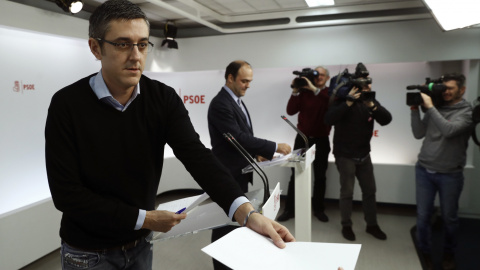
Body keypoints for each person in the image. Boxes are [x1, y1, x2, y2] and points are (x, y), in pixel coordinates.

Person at [44, 1, 294, 269]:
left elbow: (197, 156)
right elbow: (67, 195)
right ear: (96, 48)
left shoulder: (162, 98)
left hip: (140, 246)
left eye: (142, 44)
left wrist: (247, 213)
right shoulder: (67, 104)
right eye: (122, 44)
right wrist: (146, 219)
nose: (136, 55)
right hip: (87, 253)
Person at [207, 60, 292, 270]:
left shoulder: (235, 100)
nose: (248, 85)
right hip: (226, 175)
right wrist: (273, 147)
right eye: (244, 81)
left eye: (250, 81)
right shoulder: (220, 103)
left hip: (239, 172)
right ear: (230, 78)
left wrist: (256, 154)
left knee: (236, 223)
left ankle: (232, 262)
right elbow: (237, 137)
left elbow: (242, 138)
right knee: (223, 226)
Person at [410, 73, 473, 270]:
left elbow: (449, 130)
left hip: (450, 174)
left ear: (462, 90)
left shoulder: (467, 112)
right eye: (443, 88)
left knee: (450, 218)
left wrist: (429, 107)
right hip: (424, 170)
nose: (445, 92)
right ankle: (425, 253)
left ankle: (448, 253)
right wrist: (414, 110)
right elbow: (418, 132)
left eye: (450, 88)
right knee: (422, 217)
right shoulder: (434, 108)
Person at [325, 79, 392, 241]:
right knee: (347, 192)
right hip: (345, 155)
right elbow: (328, 120)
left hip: (364, 155)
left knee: (370, 190)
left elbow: (386, 119)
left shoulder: (370, 100)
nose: (366, 88)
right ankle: (346, 225)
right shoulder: (342, 100)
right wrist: (347, 103)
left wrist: (373, 106)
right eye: (362, 85)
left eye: (368, 84)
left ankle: (372, 225)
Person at [277, 66, 332, 222]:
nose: (318, 77)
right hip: (302, 139)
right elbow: (290, 111)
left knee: (320, 176)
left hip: (321, 140)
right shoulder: (304, 93)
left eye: (321, 75)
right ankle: (289, 210)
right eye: (316, 74)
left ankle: (319, 209)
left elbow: (329, 105)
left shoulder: (328, 93)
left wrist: (314, 89)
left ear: (327, 78)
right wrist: (295, 90)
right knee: (296, 174)